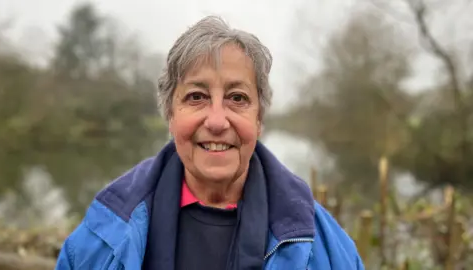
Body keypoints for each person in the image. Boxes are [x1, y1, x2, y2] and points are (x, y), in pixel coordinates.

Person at [55, 15, 364, 270]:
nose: (217, 121)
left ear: (259, 120)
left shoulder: (325, 249)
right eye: (197, 97)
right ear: (171, 115)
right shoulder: (99, 238)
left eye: (238, 98)